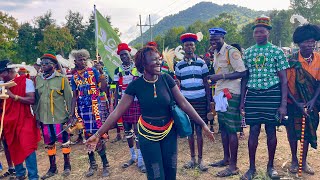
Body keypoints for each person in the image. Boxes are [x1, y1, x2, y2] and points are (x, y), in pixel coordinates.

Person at [86, 46, 214, 180]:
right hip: (147, 136)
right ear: (143, 64)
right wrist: (97, 134)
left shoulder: (166, 79)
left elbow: (184, 103)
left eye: (159, 59)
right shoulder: (136, 86)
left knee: (171, 173)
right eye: (154, 60)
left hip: (169, 133)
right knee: (156, 174)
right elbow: (117, 111)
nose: (159, 62)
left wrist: (203, 124)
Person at [239, 16, 290, 180]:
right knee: (253, 131)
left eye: (262, 31)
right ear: (253, 34)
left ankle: (270, 167)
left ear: (268, 33)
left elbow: (284, 80)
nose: (259, 34)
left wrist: (283, 105)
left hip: (272, 94)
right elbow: (245, 78)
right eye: (256, 32)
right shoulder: (248, 52)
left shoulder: (277, 51)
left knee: (271, 131)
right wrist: (242, 101)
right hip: (253, 96)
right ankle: (251, 168)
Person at [207, 28, 246, 177]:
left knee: (231, 130)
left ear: (223, 37)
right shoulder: (216, 53)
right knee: (223, 127)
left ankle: (233, 166)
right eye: (211, 39)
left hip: (231, 94)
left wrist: (221, 76)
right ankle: (226, 159)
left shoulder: (231, 51)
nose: (213, 42)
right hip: (220, 94)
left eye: (216, 39)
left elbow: (242, 72)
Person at [285, 24, 320, 175]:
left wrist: (312, 101)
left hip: (312, 103)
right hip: (293, 103)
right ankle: (294, 160)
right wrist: (297, 102)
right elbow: (284, 85)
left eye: (313, 41)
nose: (310, 45)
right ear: (298, 43)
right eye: (306, 42)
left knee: (307, 132)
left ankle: (303, 161)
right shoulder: (290, 60)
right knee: (293, 132)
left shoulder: (319, 59)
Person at [69, 49, 110, 177]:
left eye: (84, 59)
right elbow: (74, 97)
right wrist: (72, 115)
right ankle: (92, 164)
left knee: (98, 136)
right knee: (87, 137)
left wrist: (102, 73)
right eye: (80, 60)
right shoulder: (74, 77)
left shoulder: (94, 72)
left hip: (95, 108)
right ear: (75, 61)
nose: (83, 62)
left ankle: (105, 164)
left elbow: (103, 88)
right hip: (83, 110)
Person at [33, 53, 73, 179]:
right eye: (42, 64)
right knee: (49, 143)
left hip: (60, 117)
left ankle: (67, 166)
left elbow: (70, 99)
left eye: (46, 64)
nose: (43, 66)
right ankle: (53, 168)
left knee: (64, 142)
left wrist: (71, 116)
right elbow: (36, 100)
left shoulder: (61, 79)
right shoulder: (38, 79)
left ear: (54, 65)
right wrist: (37, 117)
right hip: (45, 119)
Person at [175, 33, 210, 171]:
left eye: (191, 45)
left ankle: (201, 160)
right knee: (190, 131)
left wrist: (208, 102)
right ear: (184, 47)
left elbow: (207, 84)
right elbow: (177, 85)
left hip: (200, 99)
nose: (189, 47)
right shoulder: (179, 65)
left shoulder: (202, 63)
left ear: (195, 47)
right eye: (187, 45)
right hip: (186, 102)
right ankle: (192, 159)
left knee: (200, 131)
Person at [0, 59, 41, 180]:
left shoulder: (26, 81)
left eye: (0, 73)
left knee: (27, 146)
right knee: (14, 147)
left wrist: (13, 96)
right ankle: (20, 174)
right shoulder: (1, 85)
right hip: (8, 121)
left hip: (24, 119)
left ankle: (33, 176)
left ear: (8, 71)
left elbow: (31, 100)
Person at [114, 43, 146, 172]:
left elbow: (142, 84)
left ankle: (141, 159)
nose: (123, 57)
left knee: (138, 131)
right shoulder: (118, 70)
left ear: (129, 54)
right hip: (124, 103)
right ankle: (132, 156)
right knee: (127, 130)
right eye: (121, 55)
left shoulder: (137, 68)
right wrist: (116, 103)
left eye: (125, 54)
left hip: (136, 102)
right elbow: (116, 88)